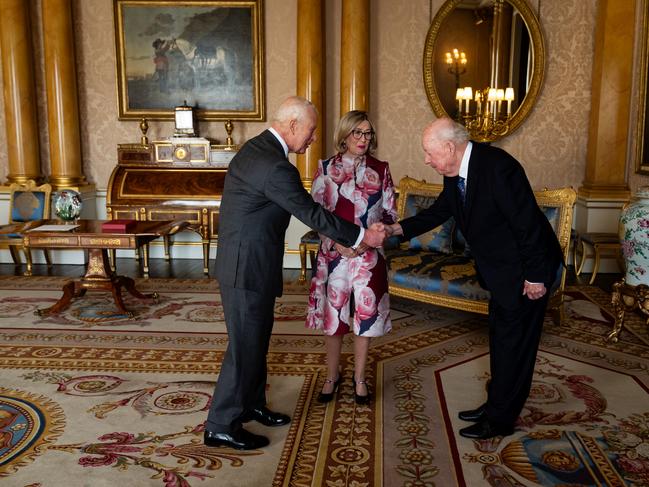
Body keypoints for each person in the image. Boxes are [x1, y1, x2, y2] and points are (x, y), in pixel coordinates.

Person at [204, 96, 386, 451]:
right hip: (247, 268)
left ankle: (252, 404)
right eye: (311, 129)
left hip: (251, 263)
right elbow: (310, 212)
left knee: (256, 340)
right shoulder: (274, 165)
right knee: (243, 347)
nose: (314, 137)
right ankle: (220, 424)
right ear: (292, 126)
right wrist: (361, 236)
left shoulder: (260, 150)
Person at [385, 117, 562, 440]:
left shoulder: (498, 168)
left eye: (429, 152)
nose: (426, 159)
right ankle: (495, 403)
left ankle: (500, 419)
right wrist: (397, 230)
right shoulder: (456, 173)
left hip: (526, 270)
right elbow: (439, 211)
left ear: (449, 147)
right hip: (501, 271)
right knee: (500, 338)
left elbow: (527, 226)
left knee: (515, 346)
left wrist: (537, 277)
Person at [306, 111, 397, 405]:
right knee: (334, 320)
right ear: (344, 135)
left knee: (365, 320)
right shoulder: (325, 168)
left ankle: (359, 378)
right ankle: (332, 375)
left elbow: (390, 214)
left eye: (368, 133)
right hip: (334, 255)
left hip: (369, 258)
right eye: (357, 133)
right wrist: (338, 244)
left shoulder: (381, 169)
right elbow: (316, 215)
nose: (363, 139)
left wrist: (366, 243)